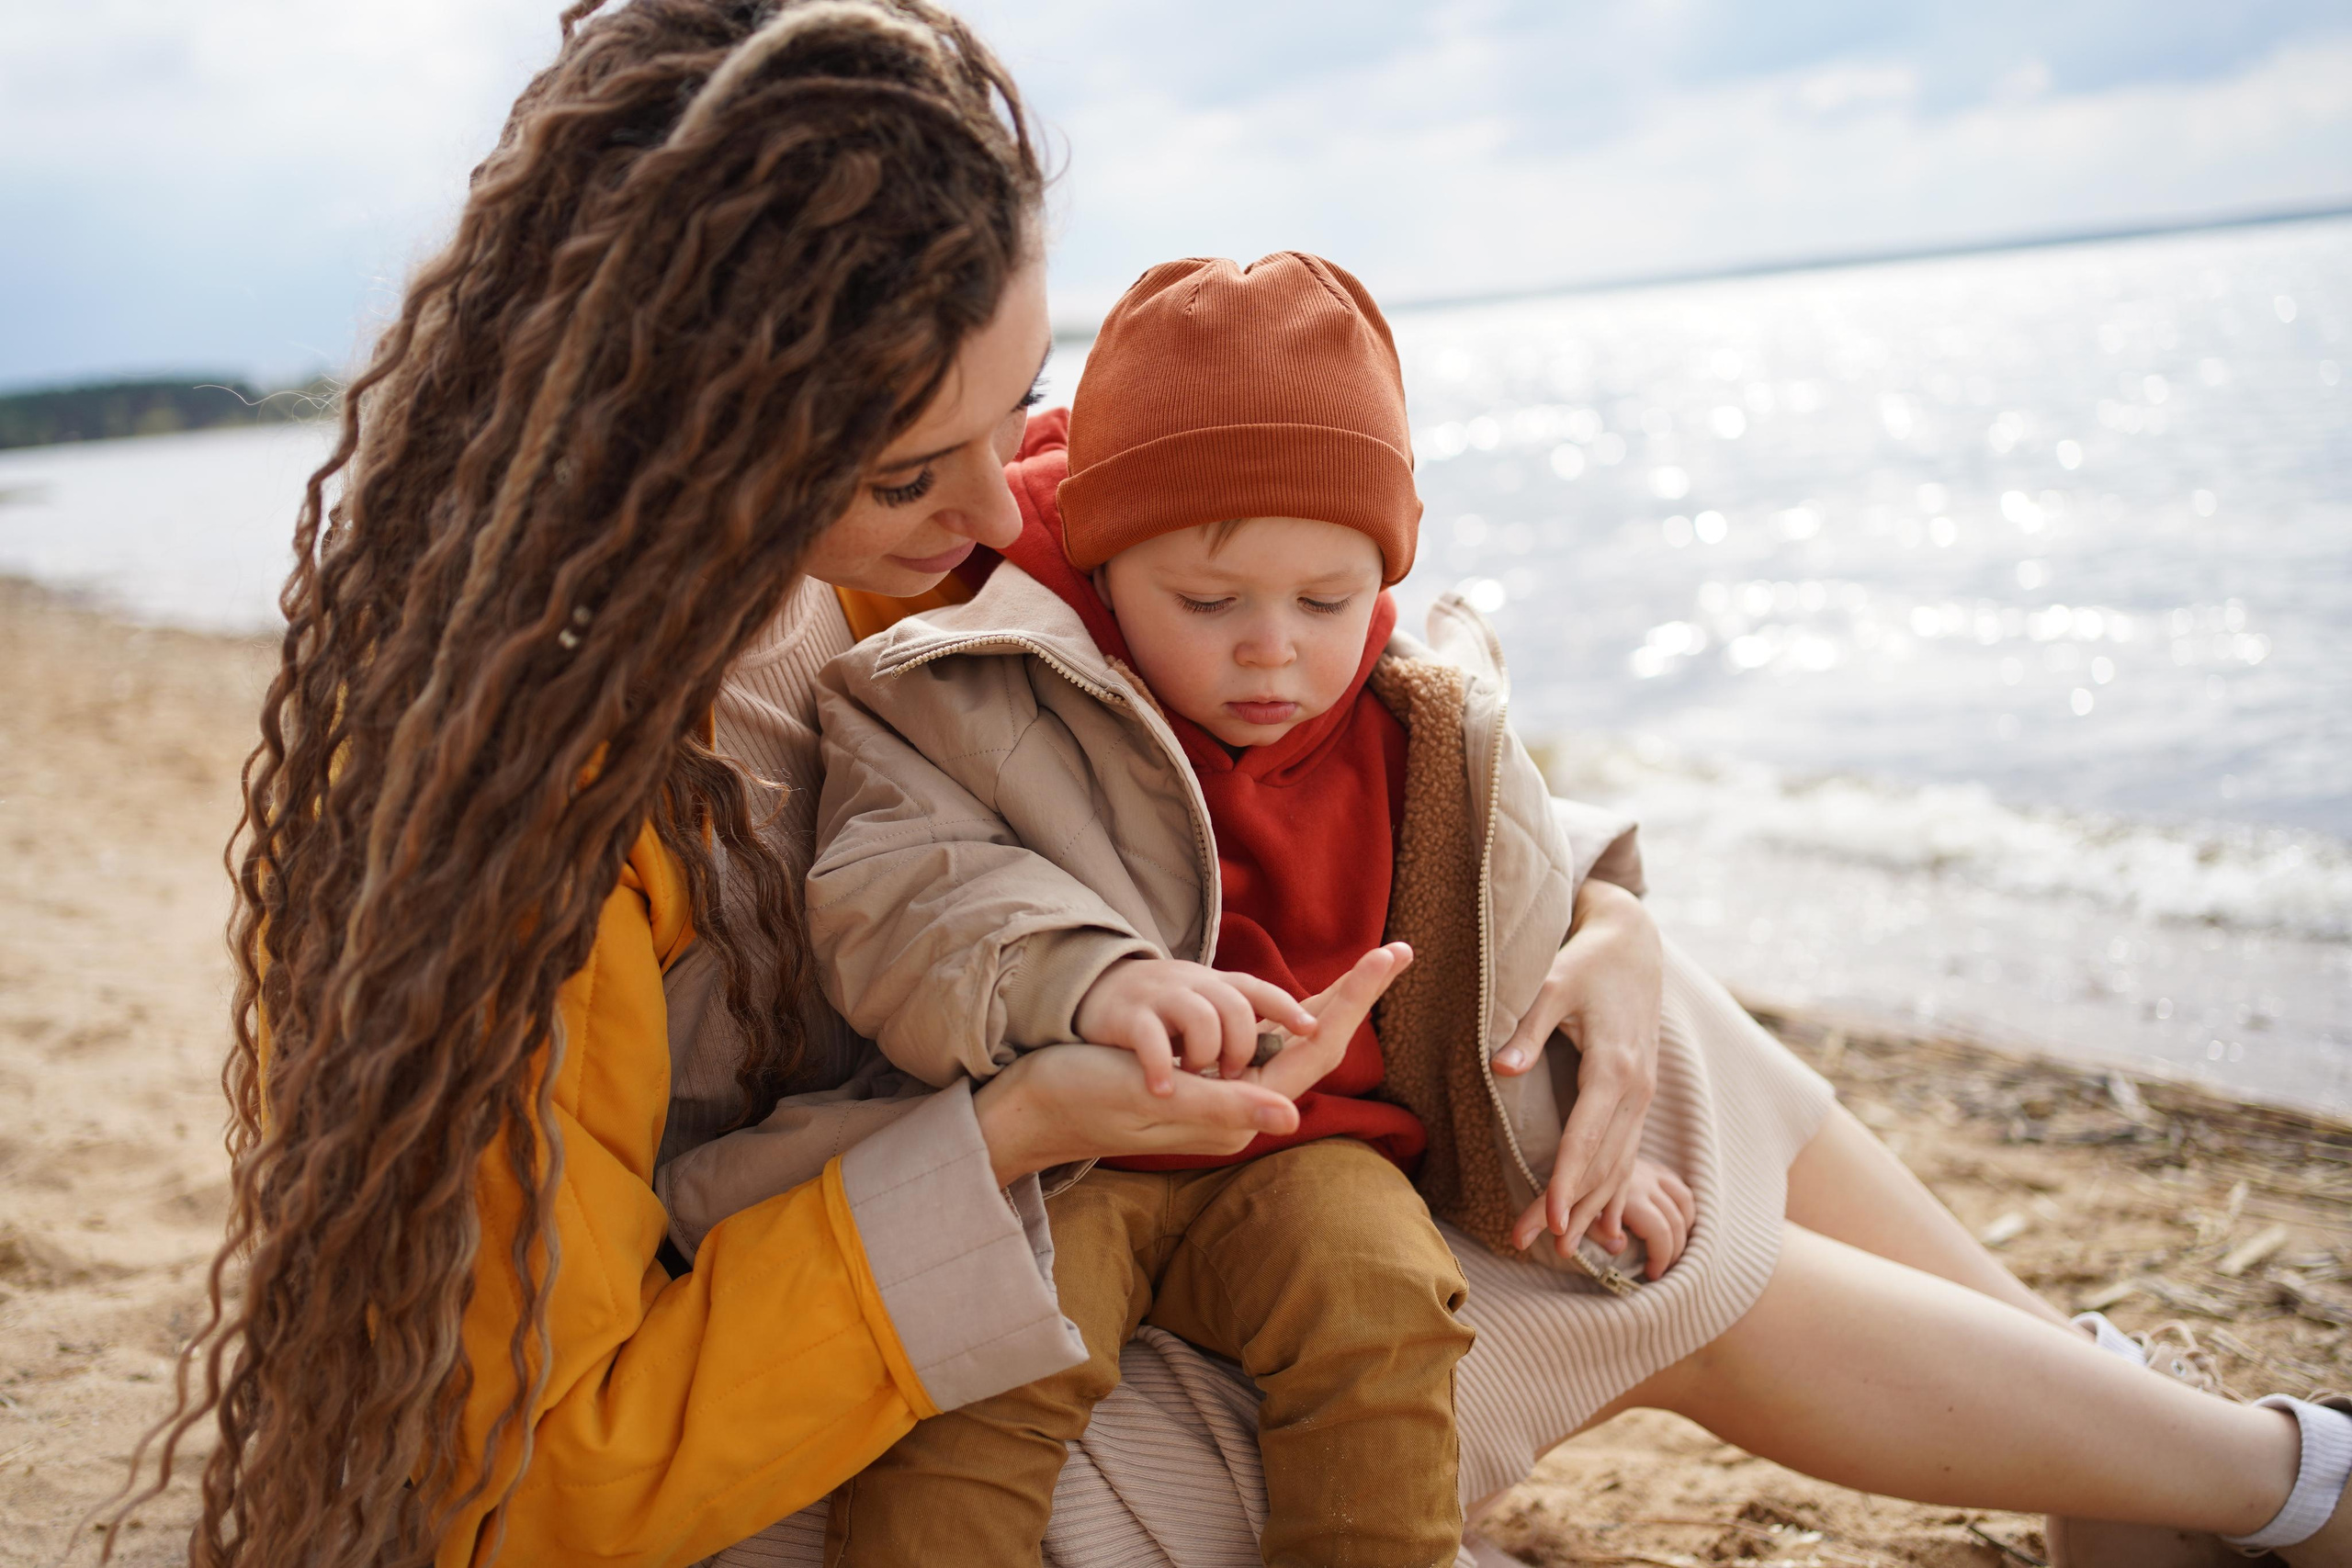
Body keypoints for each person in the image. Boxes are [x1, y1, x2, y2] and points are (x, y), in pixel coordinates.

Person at [104, 4, 2348, 1567]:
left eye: (1023, 404)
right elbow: (535, 1490)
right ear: (700, 435)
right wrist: (1019, 1123)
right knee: (1593, 1241)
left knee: (1603, 1026)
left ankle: (2131, 1453)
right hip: (819, 1464)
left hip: (1012, 1238)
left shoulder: (857, 543)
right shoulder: (522, 826)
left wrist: (1602, 918)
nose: (1000, 505)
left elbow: (1338, 692)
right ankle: (2257, 1475)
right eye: (914, 465)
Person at [757, 251, 1702, 1566]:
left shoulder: (1422, 727)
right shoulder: (967, 687)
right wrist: (1091, 980)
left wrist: (1570, 1151)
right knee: (980, 1373)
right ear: (1102, 565)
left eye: (1327, 600)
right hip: (1064, 1147)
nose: (1274, 647)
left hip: (1304, 1149)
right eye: (1207, 603)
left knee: (1385, 1309)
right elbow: (904, 895)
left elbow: (1511, 935)